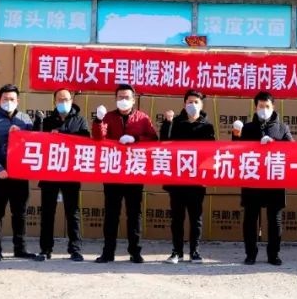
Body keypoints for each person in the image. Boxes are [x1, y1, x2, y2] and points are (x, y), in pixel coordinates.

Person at [91, 84, 158, 264]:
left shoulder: (142, 118)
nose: (123, 100)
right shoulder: (108, 117)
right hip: (113, 172)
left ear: (133, 100)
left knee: (134, 214)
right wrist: (98, 120)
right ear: (115, 99)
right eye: (120, 97)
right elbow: (98, 138)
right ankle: (108, 252)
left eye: (127, 97)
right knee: (111, 214)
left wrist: (135, 139)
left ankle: (135, 252)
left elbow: (153, 139)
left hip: (134, 173)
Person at [233, 91, 293, 266]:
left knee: (275, 220)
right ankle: (250, 254)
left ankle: (273, 254)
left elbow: (293, 150)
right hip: (252, 179)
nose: (264, 109)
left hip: (274, 180)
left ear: (273, 107)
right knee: (250, 219)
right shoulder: (248, 128)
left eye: (267, 106)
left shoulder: (282, 128)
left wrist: (275, 144)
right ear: (255, 107)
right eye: (261, 106)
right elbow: (236, 151)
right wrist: (235, 135)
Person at [0, 84, 38, 262]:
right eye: (5, 99)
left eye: (12, 99)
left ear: (18, 101)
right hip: (0, 175)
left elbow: (33, 143)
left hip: (19, 174)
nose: (9, 102)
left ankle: (20, 249)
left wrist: (24, 133)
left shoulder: (25, 119)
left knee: (20, 213)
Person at [33, 88, 90, 261]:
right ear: (54, 102)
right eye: (59, 100)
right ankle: (45, 249)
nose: (63, 102)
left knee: (72, 213)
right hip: (50, 172)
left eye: (66, 99)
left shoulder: (80, 120)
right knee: (47, 213)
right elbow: (36, 141)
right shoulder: (48, 121)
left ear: (71, 100)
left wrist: (61, 135)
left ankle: (75, 249)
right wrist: (38, 123)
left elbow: (85, 140)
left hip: (70, 172)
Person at [159, 90, 215, 264]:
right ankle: (177, 252)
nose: (193, 105)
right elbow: (164, 143)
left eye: (196, 102)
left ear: (201, 105)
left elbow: (211, 153)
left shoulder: (207, 126)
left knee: (196, 218)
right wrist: (167, 123)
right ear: (184, 104)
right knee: (177, 218)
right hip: (177, 179)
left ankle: (194, 252)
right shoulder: (175, 122)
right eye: (190, 102)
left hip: (196, 180)